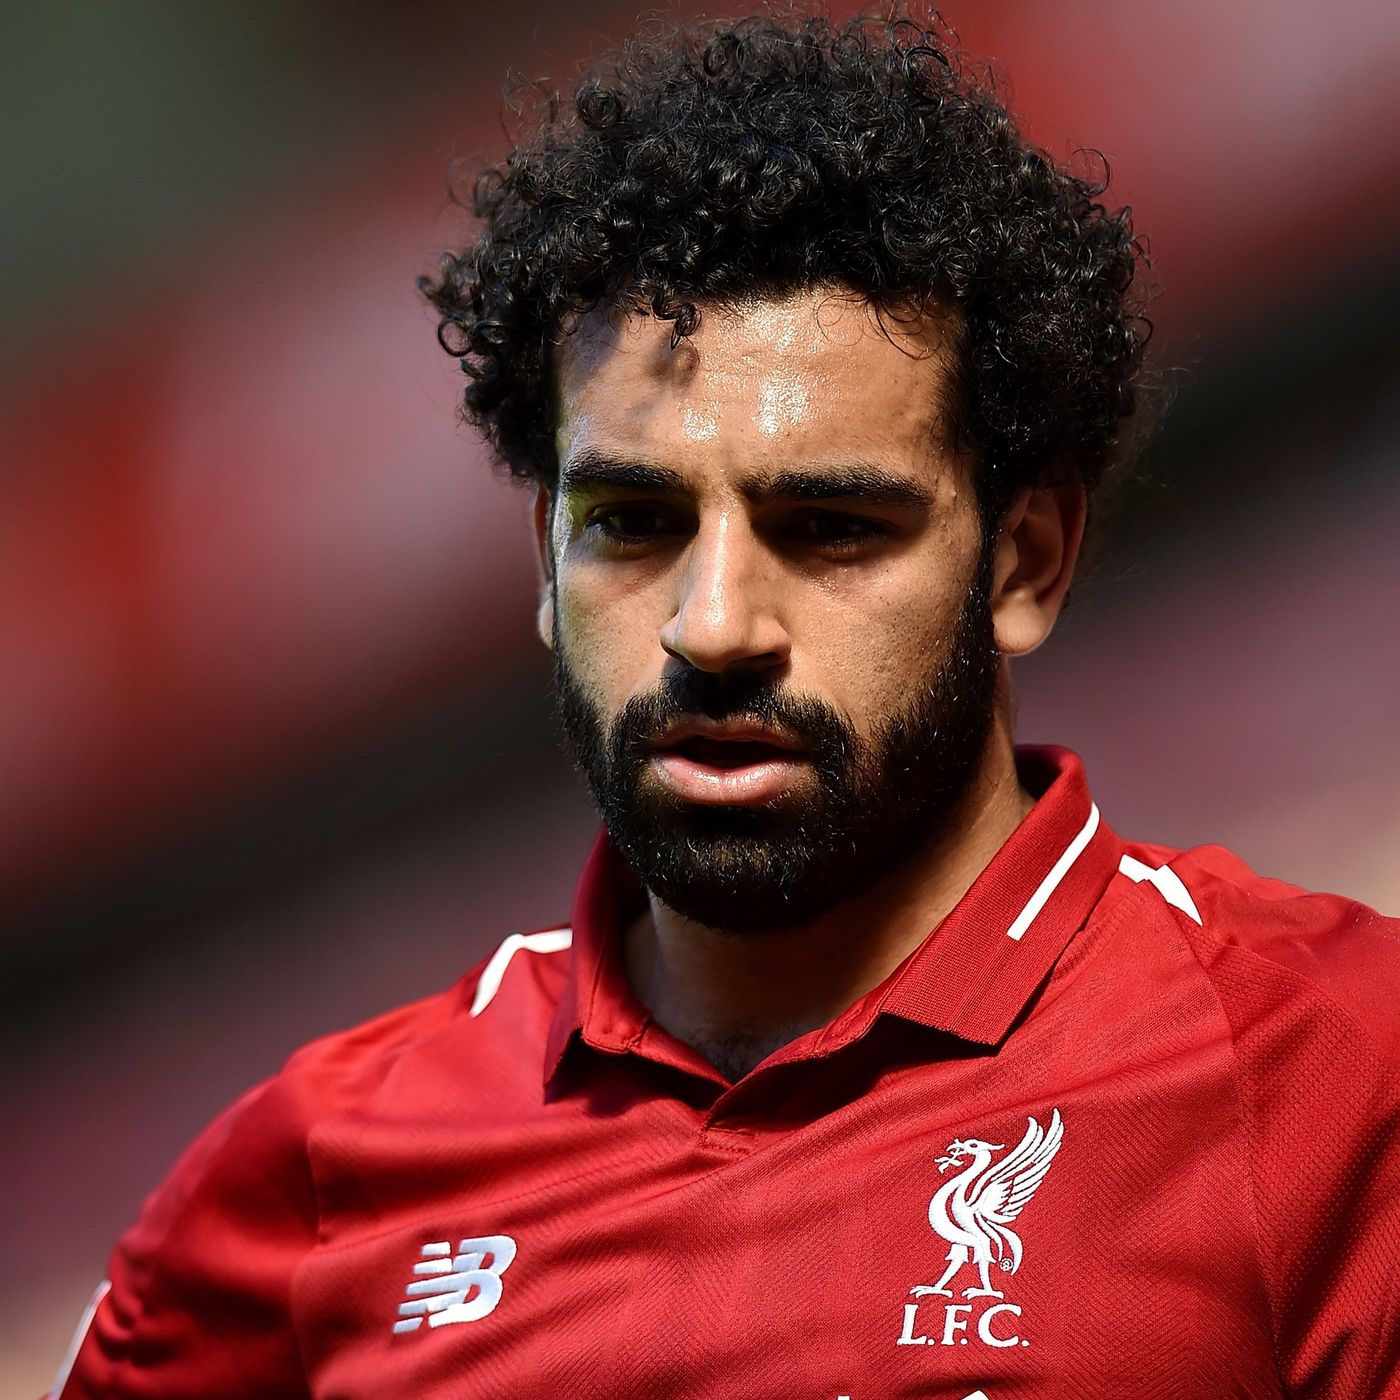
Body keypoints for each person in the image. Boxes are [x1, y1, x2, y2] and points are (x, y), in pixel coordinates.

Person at [51, 8, 1399, 1399]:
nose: (713, 627)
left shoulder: (1342, 1070)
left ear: (1024, 562)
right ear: (544, 563)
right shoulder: (302, 1191)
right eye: (633, 524)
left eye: (829, 529)